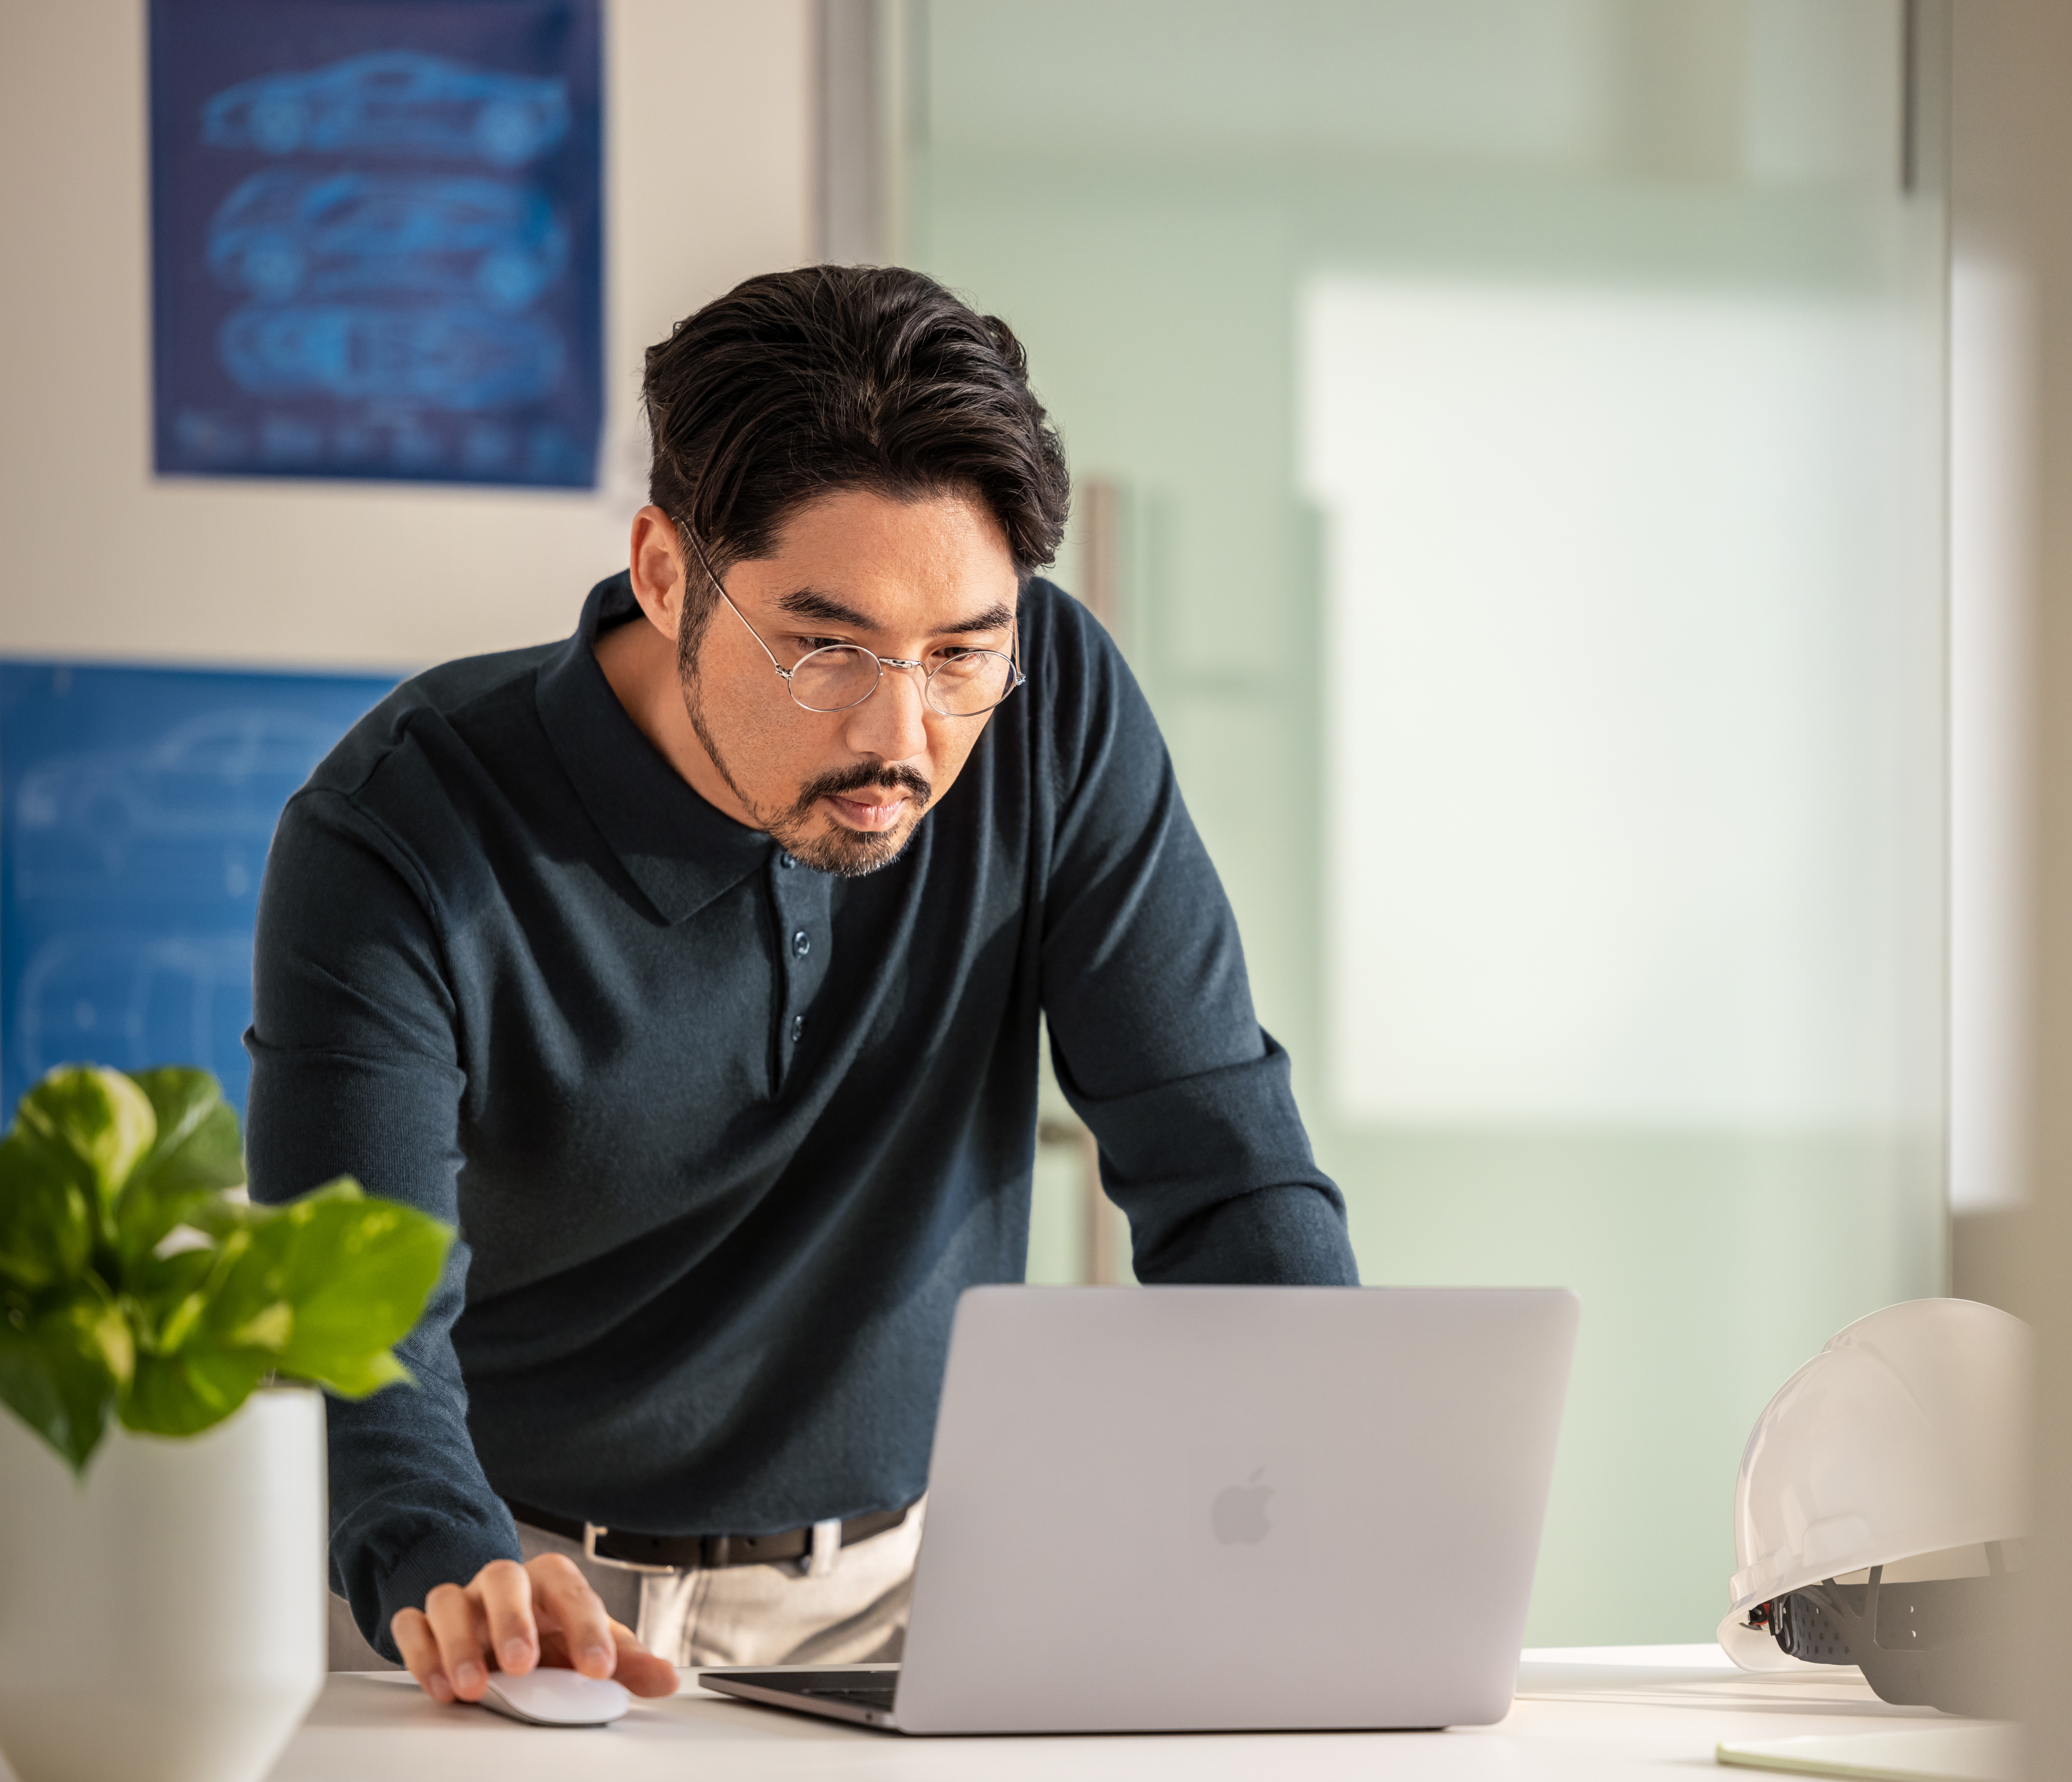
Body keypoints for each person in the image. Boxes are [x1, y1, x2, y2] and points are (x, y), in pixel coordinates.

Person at [247, 266, 1359, 1705]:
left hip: (915, 1589)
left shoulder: (1056, 709)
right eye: (826, 647)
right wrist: (452, 1568)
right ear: (665, 572)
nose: (904, 735)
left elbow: (1218, 1160)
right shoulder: (400, 829)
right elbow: (357, 1316)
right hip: (513, 1596)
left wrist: (1345, 1499)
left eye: (963, 652)